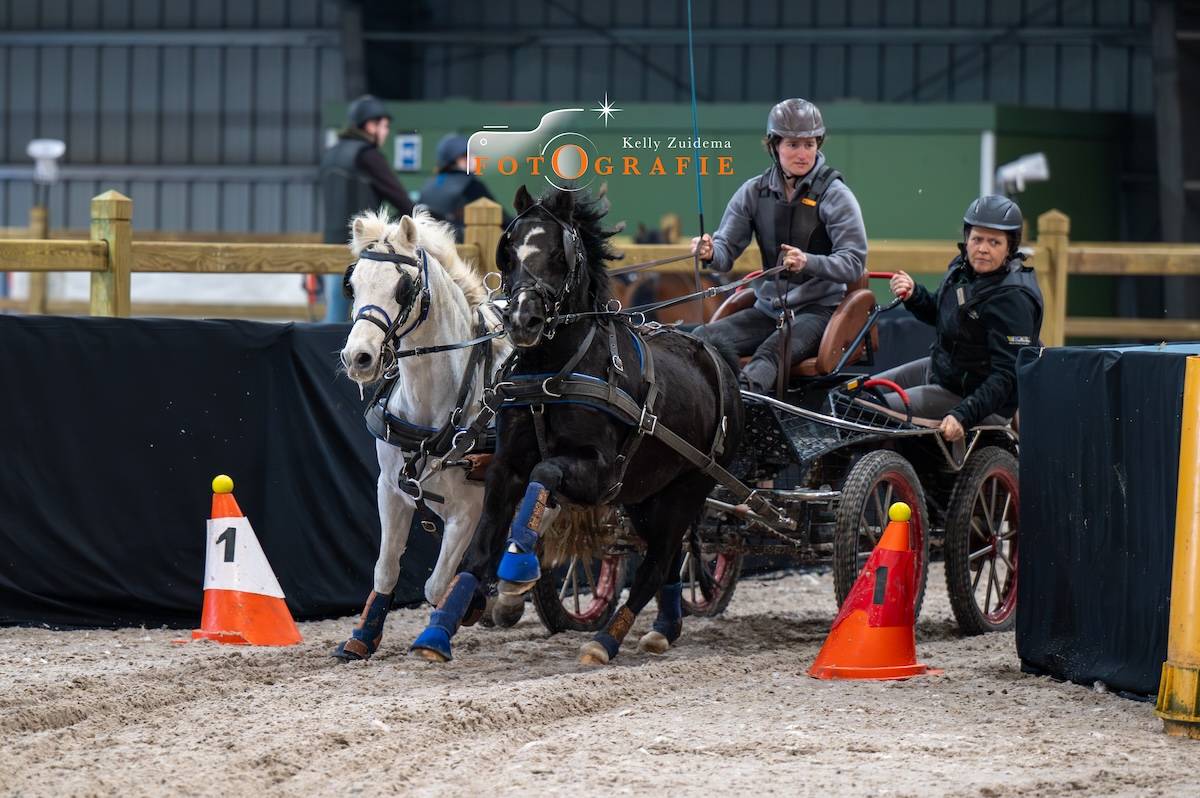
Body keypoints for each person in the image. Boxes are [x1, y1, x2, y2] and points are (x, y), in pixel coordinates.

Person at [691, 98, 867, 394]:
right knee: (699, 341)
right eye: (793, 145)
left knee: (769, 356)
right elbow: (725, 252)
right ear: (774, 146)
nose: (803, 154)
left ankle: (745, 414)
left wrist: (808, 261)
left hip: (819, 312)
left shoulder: (836, 195)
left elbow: (853, 263)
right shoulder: (753, 191)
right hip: (767, 311)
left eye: (809, 145)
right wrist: (710, 252)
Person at [877, 195, 1044, 442]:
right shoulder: (963, 270)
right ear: (967, 239)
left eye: (994, 242)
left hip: (974, 398)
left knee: (873, 411)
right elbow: (944, 317)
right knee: (859, 394)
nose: (983, 248)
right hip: (943, 372)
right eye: (977, 239)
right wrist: (914, 295)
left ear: (1010, 247)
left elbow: (1007, 376)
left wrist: (963, 415)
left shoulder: (1013, 300)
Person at [318, 94, 415, 321]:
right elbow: (399, 198)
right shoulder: (368, 156)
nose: (386, 132)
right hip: (363, 250)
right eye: (384, 126)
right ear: (370, 126)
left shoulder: (331, 155)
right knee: (362, 321)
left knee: (333, 318)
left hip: (328, 247)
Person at [418, 133, 508, 242]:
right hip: (457, 249)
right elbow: (504, 220)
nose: (472, 159)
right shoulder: (471, 185)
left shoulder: (429, 183)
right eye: (466, 156)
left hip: (426, 247)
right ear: (454, 160)